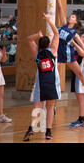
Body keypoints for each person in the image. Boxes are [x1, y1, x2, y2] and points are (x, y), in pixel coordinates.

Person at [23, 13, 60, 141]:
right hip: (51, 83)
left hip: (40, 83)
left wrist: (37, 36)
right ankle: (48, 131)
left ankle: (31, 127)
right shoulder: (53, 50)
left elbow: (28, 39)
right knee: (50, 107)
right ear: (49, 43)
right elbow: (56, 34)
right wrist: (49, 20)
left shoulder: (37, 52)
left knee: (37, 107)